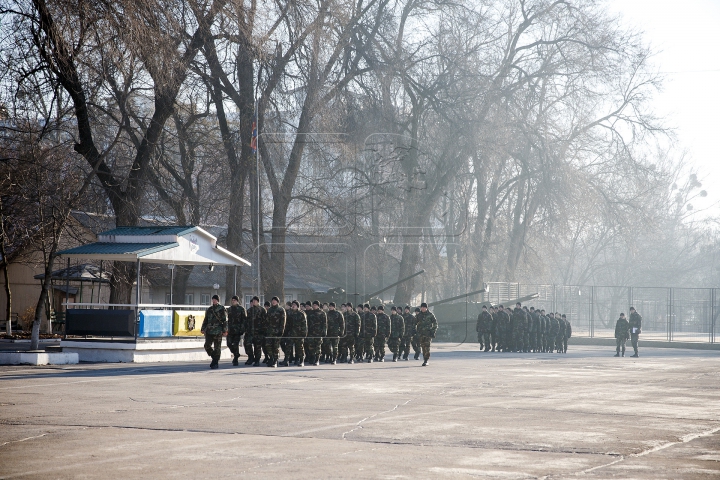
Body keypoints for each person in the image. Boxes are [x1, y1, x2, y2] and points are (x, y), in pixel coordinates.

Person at [201, 294, 228, 369]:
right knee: (207, 345)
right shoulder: (210, 309)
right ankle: (214, 357)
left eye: (215, 299)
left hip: (218, 331)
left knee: (217, 347)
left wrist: (225, 330)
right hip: (209, 331)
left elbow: (225, 320)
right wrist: (203, 328)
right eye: (213, 299)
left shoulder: (222, 308)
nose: (214, 301)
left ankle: (215, 362)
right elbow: (206, 320)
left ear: (218, 300)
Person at [284, 300, 307, 366]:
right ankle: (286, 360)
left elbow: (304, 325)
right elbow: (287, 324)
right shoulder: (289, 313)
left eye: (295, 305)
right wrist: (285, 332)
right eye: (292, 305)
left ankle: (301, 361)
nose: (293, 306)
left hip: (299, 334)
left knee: (299, 348)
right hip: (290, 333)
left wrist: (304, 333)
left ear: (298, 306)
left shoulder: (301, 314)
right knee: (288, 347)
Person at [265, 297, 286, 368]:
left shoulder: (281, 310)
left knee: (275, 347)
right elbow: (267, 321)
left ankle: (275, 360)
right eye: (272, 300)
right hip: (270, 331)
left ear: (277, 302)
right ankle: (271, 357)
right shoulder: (270, 310)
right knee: (268, 345)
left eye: (275, 301)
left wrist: (281, 331)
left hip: (277, 332)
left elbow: (283, 321)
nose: (273, 302)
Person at [244, 296, 265, 366]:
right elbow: (247, 321)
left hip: (259, 332)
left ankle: (257, 360)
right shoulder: (249, 311)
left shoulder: (262, 310)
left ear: (258, 301)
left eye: (255, 301)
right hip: (250, 332)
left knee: (257, 347)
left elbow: (265, 321)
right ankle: (251, 357)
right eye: (253, 301)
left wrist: (263, 330)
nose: (253, 302)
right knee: (247, 344)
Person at [226, 295, 246, 366]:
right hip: (230, 330)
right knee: (229, 344)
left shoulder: (241, 309)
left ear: (237, 301)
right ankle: (236, 354)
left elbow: (244, 320)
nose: (233, 301)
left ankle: (235, 359)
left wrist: (242, 329)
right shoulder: (229, 309)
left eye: (234, 300)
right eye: (232, 300)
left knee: (235, 344)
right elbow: (226, 319)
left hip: (237, 330)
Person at [306, 301, 327, 366]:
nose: (314, 306)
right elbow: (307, 323)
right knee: (311, 346)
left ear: (318, 306)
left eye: (315, 305)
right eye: (313, 305)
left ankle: (317, 359)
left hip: (318, 333)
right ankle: (313, 357)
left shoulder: (322, 313)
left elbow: (325, 324)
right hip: (311, 332)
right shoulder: (310, 313)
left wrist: (324, 332)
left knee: (318, 346)